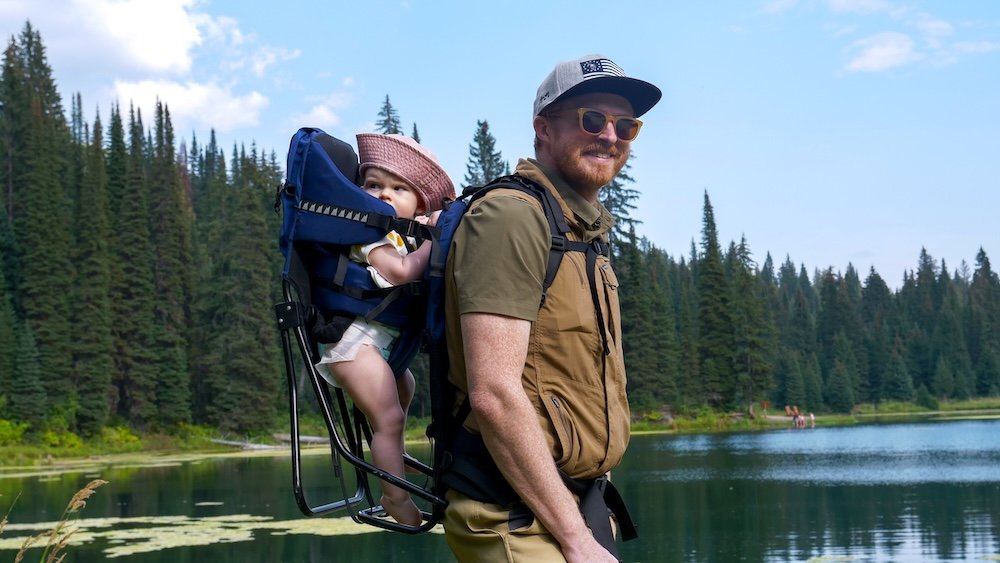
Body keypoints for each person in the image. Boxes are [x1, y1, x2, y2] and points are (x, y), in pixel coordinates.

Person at [441, 55, 661, 562]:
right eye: (592, 119)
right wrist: (576, 536)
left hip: (570, 507)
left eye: (626, 125)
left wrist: (594, 497)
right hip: (513, 518)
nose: (611, 135)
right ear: (543, 127)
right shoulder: (512, 217)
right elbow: (493, 392)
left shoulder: (581, 234)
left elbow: (577, 382)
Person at [315, 132, 455, 526]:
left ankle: (391, 456)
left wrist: (425, 230)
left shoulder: (400, 235)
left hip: (373, 345)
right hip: (351, 345)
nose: (383, 194)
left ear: (418, 204)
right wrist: (437, 239)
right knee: (389, 418)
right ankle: (393, 497)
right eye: (373, 184)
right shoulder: (368, 234)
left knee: (404, 387)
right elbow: (403, 271)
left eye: (398, 188)